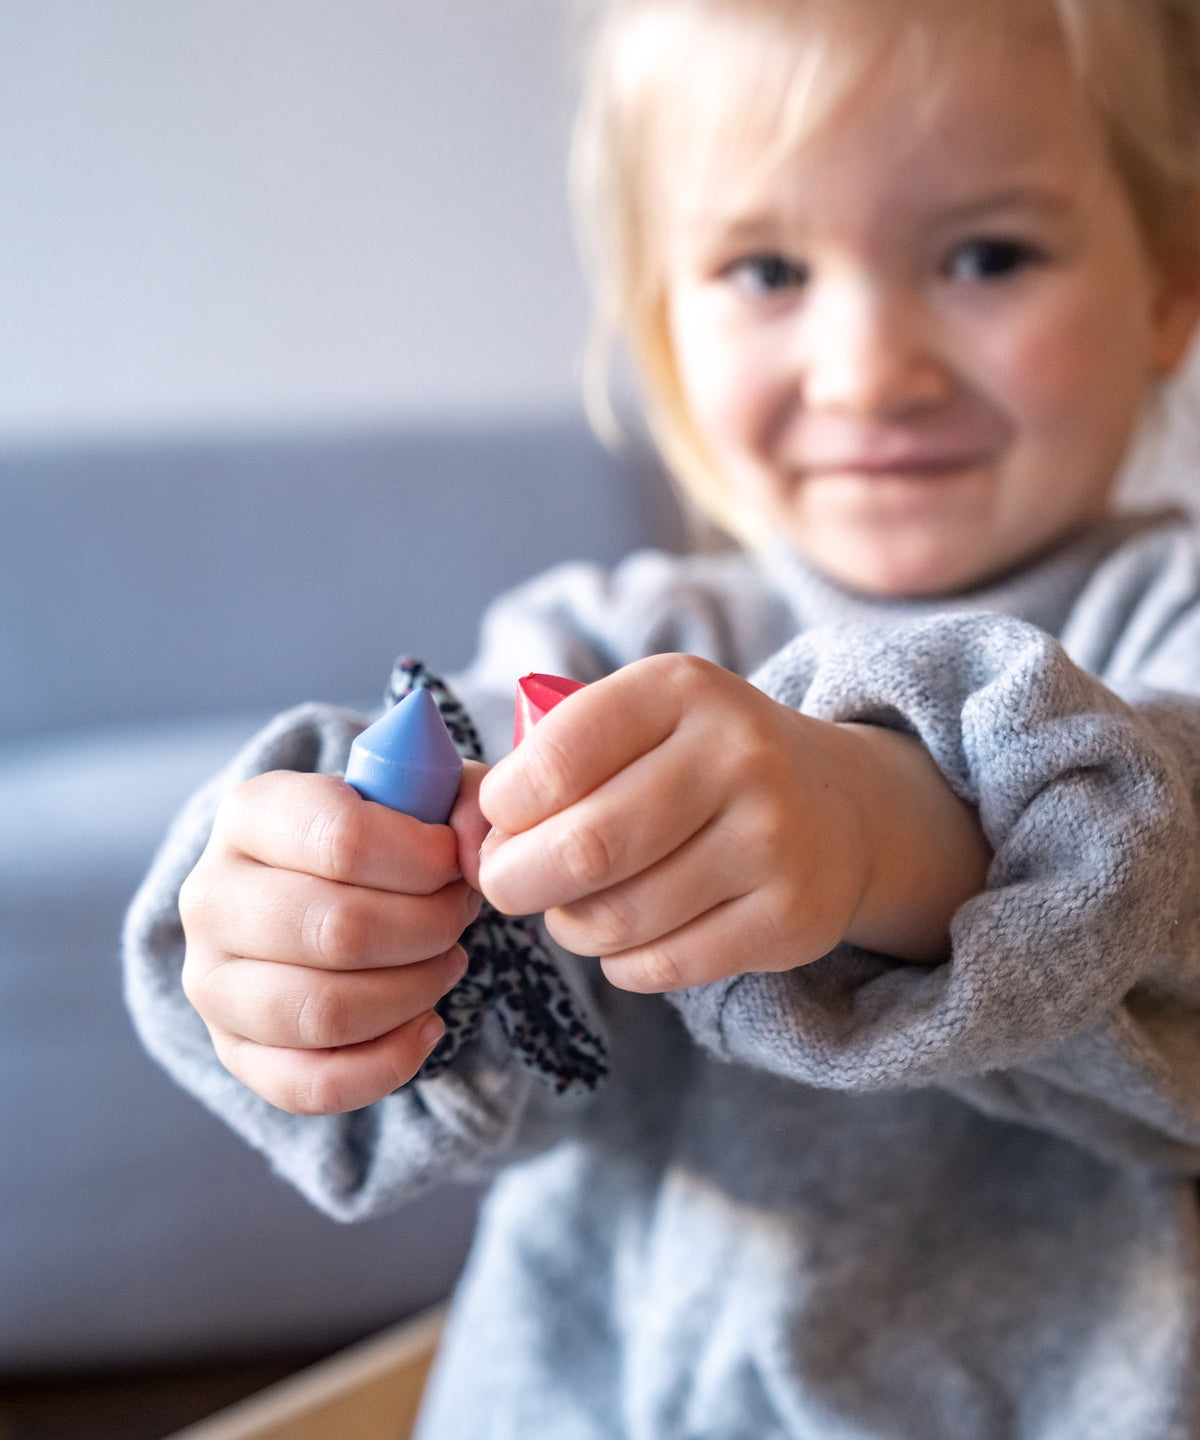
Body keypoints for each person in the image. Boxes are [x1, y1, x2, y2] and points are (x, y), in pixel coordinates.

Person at [125, 0, 1200, 1434]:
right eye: (766, 268)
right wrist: (333, 925)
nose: (871, 367)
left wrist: (879, 826)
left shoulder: (1173, 619)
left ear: (1170, 284)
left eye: (987, 256)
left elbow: (1168, 845)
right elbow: (494, 1012)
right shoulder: (603, 644)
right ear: (660, 328)